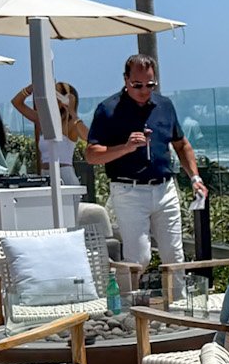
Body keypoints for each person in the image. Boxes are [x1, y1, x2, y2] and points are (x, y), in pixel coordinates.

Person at [85, 54, 206, 273]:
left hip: (165, 188)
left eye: (150, 84)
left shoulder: (164, 105)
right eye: (137, 85)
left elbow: (181, 145)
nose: (144, 90)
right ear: (125, 80)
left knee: (174, 256)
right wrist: (126, 147)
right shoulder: (108, 109)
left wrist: (195, 178)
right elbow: (92, 155)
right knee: (139, 258)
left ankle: (176, 295)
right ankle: (129, 295)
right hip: (128, 190)